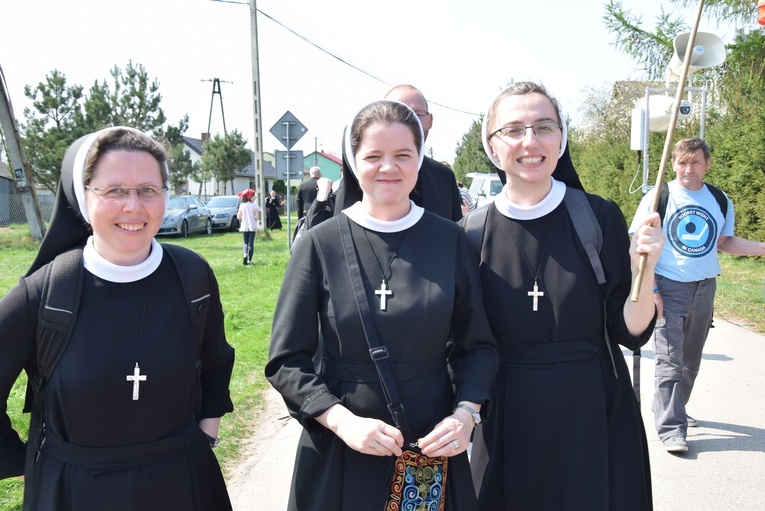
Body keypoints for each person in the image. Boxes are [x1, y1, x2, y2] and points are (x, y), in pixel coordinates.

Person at [265, 100, 498, 510]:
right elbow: (286, 360)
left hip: (428, 443)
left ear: (420, 160)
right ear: (354, 162)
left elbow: (477, 346)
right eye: (373, 156)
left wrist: (466, 414)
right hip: (340, 445)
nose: (388, 167)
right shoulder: (320, 244)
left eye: (403, 155)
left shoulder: (449, 240)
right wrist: (342, 422)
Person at [0, 127, 235, 510]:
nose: (133, 207)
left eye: (147, 189)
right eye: (114, 191)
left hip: (183, 481)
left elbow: (215, 361)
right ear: (83, 197)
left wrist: (206, 433)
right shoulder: (46, 292)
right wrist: (19, 461)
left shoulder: (192, 276)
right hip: (77, 492)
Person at [466, 82, 664, 510]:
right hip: (507, 415)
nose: (530, 141)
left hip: (594, 407)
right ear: (492, 146)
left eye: (544, 127)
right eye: (513, 130)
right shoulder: (470, 235)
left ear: (562, 139)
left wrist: (642, 270)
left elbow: (629, 332)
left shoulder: (598, 216)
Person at [629, 137, 765, 454]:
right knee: (670, 360)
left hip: (705, 288)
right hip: (667, 285)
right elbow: (636, 246)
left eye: (695, 162)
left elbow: (724, 242)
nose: (688, 169)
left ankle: (672, 407)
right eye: (682, 162)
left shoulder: (718, 199)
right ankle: (672, 429)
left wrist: (762, 248)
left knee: (690, 361)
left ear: (707, 164)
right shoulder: (657, 197)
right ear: (673, 163)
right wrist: (649, 289)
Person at [333, 84, 463, 221]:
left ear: (430, 121)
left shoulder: (444, 176)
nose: (409, 121)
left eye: (417, 114)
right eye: (397, 112)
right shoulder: (361, 176)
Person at [237, 188, 260, 265]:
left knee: (245, 243)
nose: (255, 197)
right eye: (254, 196)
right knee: (251, 243)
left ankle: (244, 254)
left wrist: (243, 217)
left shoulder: (242, 205)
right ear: (250, 197)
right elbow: (257, 217)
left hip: (244, 226)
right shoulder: (255, 206)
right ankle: (249, 260)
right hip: (252, 226)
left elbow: (238, 217)